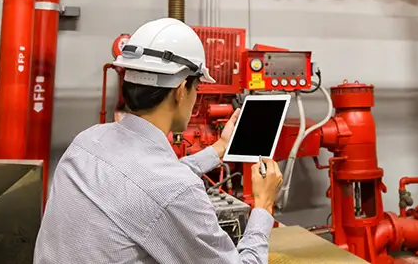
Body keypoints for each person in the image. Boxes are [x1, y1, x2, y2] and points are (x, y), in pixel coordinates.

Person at [34, 18, 283, 264]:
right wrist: (263, 205)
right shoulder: (172, 189)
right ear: (182, 89)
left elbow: (145, 184)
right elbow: (162, 188)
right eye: (197, 90)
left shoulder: (88, 141)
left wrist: (218, 149)